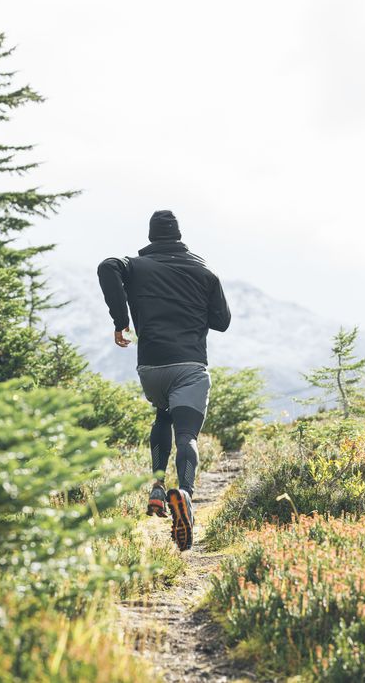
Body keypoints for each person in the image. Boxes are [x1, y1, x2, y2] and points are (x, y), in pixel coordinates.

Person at [97, 210, 231, 551]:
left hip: (151, 368)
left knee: (162, 413)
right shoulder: (204, 271)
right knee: (186, 435)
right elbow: (223, 322)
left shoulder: (134, 266)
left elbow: (107, 266)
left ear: (152, 236)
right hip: (189, 365)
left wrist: (120, 319)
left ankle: (157, 486)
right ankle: (184, 495)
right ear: (179, 235)